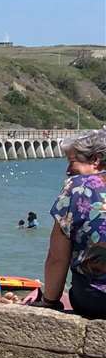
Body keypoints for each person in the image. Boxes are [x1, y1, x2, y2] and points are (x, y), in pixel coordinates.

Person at [42, 129, 106, 318]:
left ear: (95, 160)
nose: (68, 170)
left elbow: (57, 258)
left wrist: (49, 301)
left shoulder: (77, 186)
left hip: (96, 299)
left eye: (72, 162)